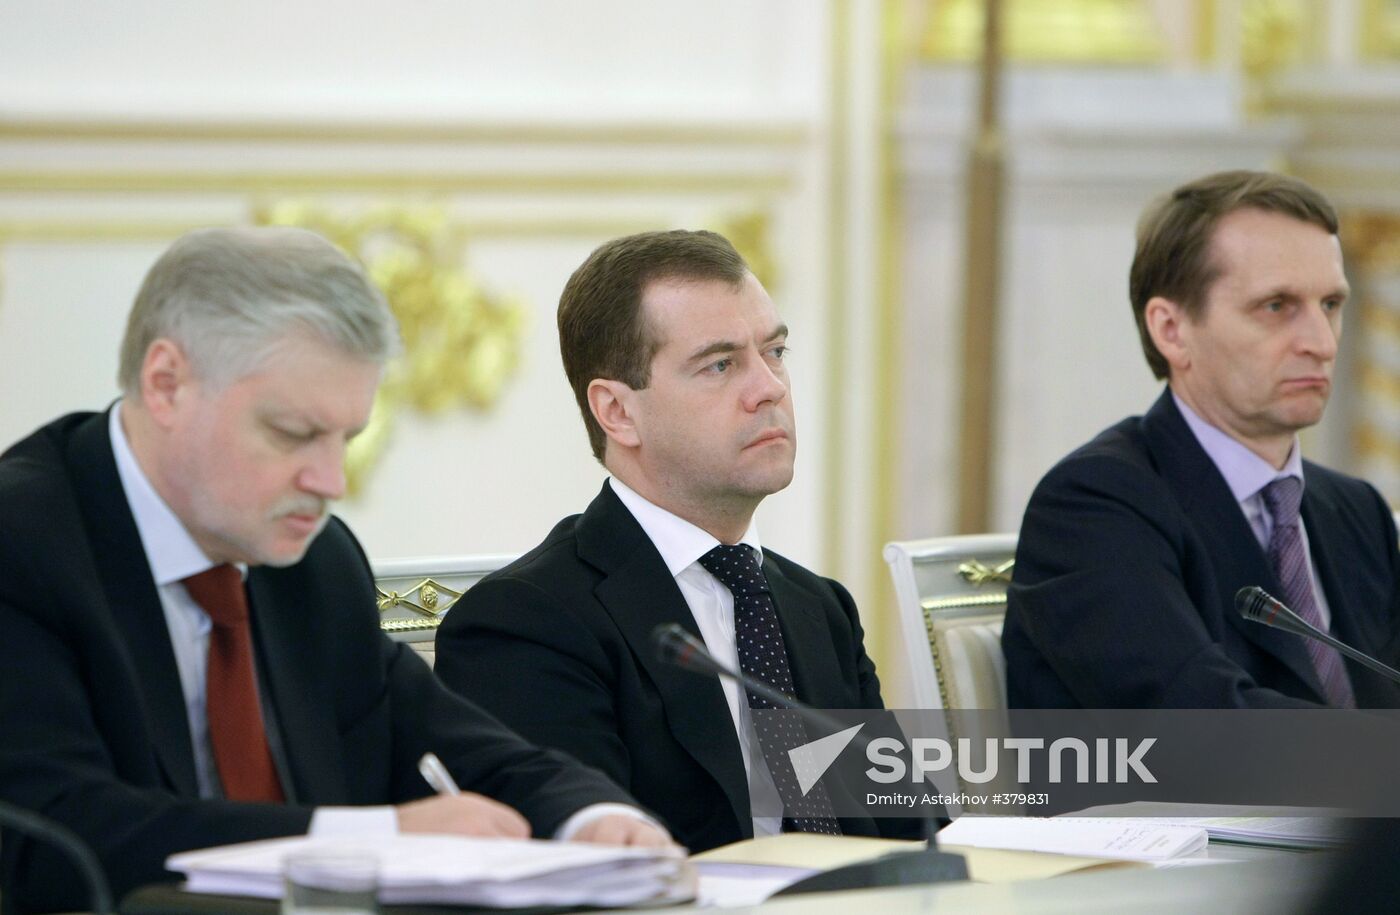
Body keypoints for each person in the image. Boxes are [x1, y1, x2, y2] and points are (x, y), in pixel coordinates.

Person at [0, 227, 671, 914]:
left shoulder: (314, 565)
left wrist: (595, 820)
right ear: (167, 383)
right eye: (293, 434)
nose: (329, 482)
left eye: (346, 440)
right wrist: (376, 840)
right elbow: (59, 833)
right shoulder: (23, 542)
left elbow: (465, 748)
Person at [434, 229, 924, 852]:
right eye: (720, 364)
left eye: (774, 351)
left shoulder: (818, 608)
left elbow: (915, 834)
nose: (769, 387)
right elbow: (590, 873)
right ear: (617, 412)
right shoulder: (526, 623)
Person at [1002, 170, 1400, 709]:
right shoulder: (1092, 506)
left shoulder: (1356, 512)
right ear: (1171, 330)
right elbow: (1208, 729)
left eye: (1330, 304)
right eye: (1276, 306)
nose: (1321, 342)